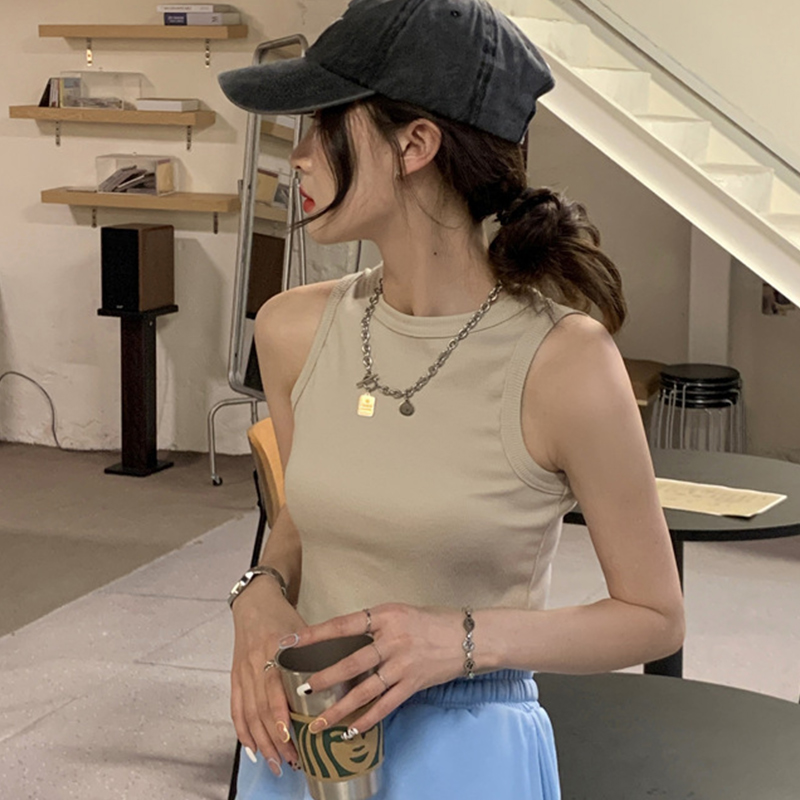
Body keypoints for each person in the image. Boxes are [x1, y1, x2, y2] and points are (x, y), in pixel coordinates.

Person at [218, 1, 685, 797]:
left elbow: (653, 615)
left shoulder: (566, 364)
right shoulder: (291, 330)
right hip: (308, 750)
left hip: (471, 753)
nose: (296, 156)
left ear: (416, 144)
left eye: (324, 124)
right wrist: (257, 593)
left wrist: (458, 641)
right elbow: (306, 515)